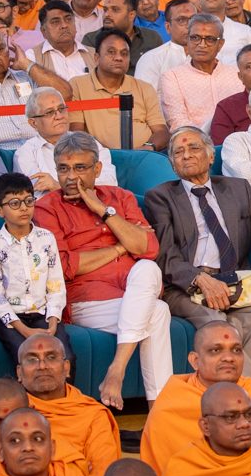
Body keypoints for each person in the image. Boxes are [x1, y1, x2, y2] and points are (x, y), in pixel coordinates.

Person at [145, 125, 251, 386]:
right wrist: (201, 279)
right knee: (218, 326)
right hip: (186, 288)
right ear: (172, 164)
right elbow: (165, 256)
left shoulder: (236, 190)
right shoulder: (160, 197)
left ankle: (241, 398)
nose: (186, 155)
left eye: (194, 148)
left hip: (235, 283)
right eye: (178, 152)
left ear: (212, 156)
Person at [33, 132, 173, 409]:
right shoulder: (47, 208)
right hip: (89, 300)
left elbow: (148, 248)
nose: (71, 177)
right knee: (158, 311)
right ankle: (160, 411)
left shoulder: (119, 198)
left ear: (97, 169)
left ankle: (116, 371)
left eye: (80, 168)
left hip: (134, 290)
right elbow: (65, 266)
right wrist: (122, 247)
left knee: (146, 267)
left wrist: (103, 211)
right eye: (63, 168)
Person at [140, 321, 251, 476]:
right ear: (195, 360)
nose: (229, 358)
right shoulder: (170, 408)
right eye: (216, 350)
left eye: (236, 350)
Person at [0, 172, 75, 374]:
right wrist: (24, 330)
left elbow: (56, 285)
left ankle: (64, 405)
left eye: (28, 200)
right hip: (12, 319)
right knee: (28, 358)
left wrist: (53, 319)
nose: (24, 207)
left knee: (65, 356)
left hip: (44, 314)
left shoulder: (46, 238)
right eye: (14, 203)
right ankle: (32, 406)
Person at [15, 333, 120, 476]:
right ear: (19, 372)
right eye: (32, 359)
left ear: (66, 367)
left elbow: (103, 474)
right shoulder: (9, 413)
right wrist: (75, 471)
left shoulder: (91, 414)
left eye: (51, 357)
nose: (42, 366)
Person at [158, 381, 251, 476]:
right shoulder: (180, 472)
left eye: (249, 414)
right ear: (205, 426)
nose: (244, 424)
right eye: (231, 417)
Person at [69, 29, 169, 152]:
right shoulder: (77, 85)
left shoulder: (144, 88)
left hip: (142, 156)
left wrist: (147, 147)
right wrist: (107, 153)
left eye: (124, 54)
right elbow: (76, 131)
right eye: (111, 52)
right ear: (96, 58)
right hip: (100, 157)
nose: (119, 58)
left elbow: (161, 132)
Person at [14, 88, 117, 197]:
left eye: (62, 109)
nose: (59, 116)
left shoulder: (89, 142)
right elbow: (36, 196)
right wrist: (83, 190)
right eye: (50, 112)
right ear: (33, 123)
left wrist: (57, 186)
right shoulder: (26, 153)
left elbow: (110, 183)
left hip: (95, 209)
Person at [0, 407, 91, 476]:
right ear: (0, 451)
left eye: (37, 439)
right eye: (15, 440)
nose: (27, 447)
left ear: (52, 448)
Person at [159, 14, 244, 128]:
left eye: (210, 39)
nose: (202, 44)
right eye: (195, 38)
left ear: (220, 44)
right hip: (195, 142)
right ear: (187, 40)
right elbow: (177, 121)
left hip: (237, 141)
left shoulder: (236, 75)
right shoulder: (172, 77)